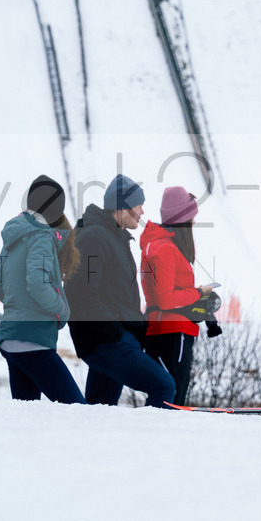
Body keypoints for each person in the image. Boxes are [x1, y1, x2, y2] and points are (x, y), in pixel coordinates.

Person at [66, 174, 176, 408]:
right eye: (139, 205)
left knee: (100, 407)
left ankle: (95, 444)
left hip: (110, 338)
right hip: (107, 340)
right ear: (124, 206)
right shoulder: (95, 237)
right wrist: (115, 330)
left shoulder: (113, 236)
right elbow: (81, 293)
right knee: (163, 385)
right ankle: (155, 444)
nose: (142, 212)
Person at [0, 175, 85, 404]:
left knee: (27, 416)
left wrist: (19, 308)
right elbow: (36, 283)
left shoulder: (14, 236)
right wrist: (62, 310)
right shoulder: (42, 237)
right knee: (79, 411)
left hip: (10, 339)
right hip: (33, 340)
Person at [140, 187, 216, 406]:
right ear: (182, 219)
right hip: (172, 333)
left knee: (164, 396)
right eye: (191, 218)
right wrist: (198, 293)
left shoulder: (156, 245)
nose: (193, 223)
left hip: (165, 329)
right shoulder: (164, 249)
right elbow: (165, 299)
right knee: (172, 400)